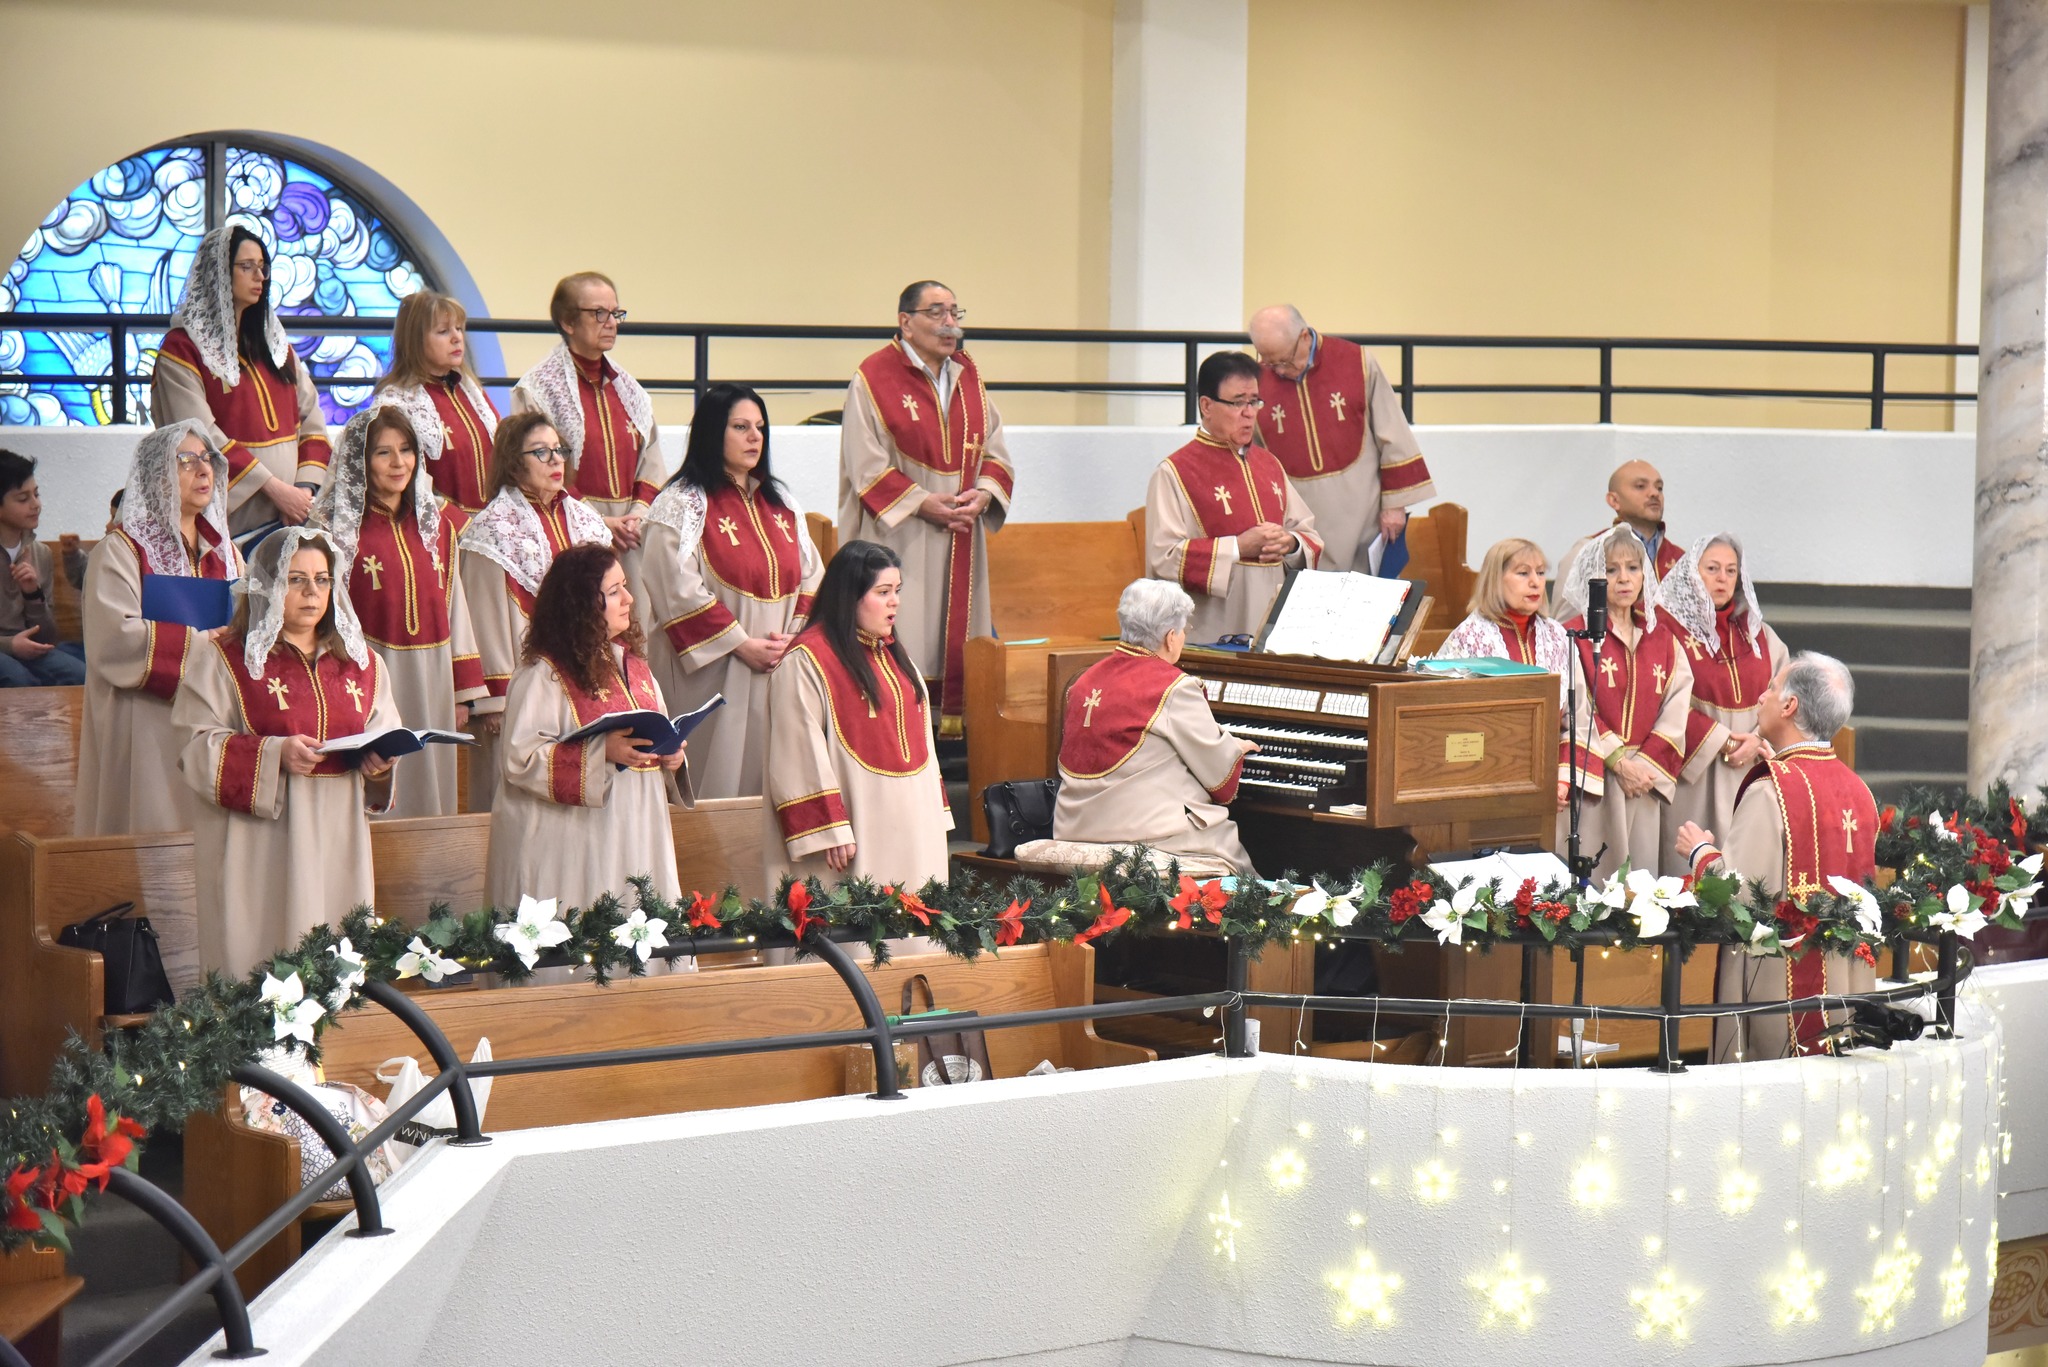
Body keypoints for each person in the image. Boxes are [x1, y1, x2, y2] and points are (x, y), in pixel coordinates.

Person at [175, 527, 400, 975]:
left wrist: (380, 765)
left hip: (339, 840)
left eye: (322, 580)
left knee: (334, 964)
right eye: (296, 580)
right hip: (260, 846)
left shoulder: (363, 664)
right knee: (260, 961)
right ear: (267, 585)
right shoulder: (224, 658)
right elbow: (193, 747)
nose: (312, 592)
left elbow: (384, 733)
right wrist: (274, 753)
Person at [1676, 652, 1878, 1061]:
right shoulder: (1860, 791)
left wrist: (1700, 852)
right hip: (1849, 988)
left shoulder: (1772, 790)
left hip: (1781, 986)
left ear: (1789, 706)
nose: (1761, 698)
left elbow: (1740, 896)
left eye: (1770, 689)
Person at [836, 281, 1017, 737]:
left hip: (960, 536)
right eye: (936, 313)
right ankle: (896, 734)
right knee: (906, 637)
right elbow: (865, 465)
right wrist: (923, 503)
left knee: (957, 645)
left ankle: (950, 740)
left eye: (955, 312)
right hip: (901, 539)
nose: (949, 323)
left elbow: (996, 449)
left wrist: (984, 493)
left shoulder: (968, 376)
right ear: (905, 322)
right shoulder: (873, 378)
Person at [642, 383, 823, 798]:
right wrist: (742, 645)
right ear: (712, 431)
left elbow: (812, 574)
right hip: (714, 671)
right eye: (741, 426)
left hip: (779, 662)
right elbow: (674, 588)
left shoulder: (781, 504)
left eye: (760, 427)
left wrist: (794, 638)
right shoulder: (680, 503)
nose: (755, 436)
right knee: (716, 780)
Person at [486, 543, 689, 912]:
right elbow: (520, 759)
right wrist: (601, 752)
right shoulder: (542, 675)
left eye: (625, 586)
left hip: (638, 830)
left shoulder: (635, 668)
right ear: (580, 605)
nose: (629, 598)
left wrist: (671, 755)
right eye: (614, 592)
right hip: (574, 842)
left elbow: (654, 738)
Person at [312, 405, 487, 818]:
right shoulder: (332, 527)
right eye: (383, 453)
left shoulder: (438, 525)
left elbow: (455, 606)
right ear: (360, 460)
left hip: (435, 682)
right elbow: (328, 618)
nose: (398, 463)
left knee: (434, 794)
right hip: (370, 679)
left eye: (406, 450)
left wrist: (463, 693)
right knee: (380, 791)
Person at [75, 422, 242, 835]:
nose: (204, 471)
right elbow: (114, 641)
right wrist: (205, 644)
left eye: (208, 459)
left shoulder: (227, 553)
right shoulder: (120, 551)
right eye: (186, 461)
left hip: (213, 721)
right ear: (154, 476)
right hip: (145, 723)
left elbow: (250, 620)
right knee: (151, 832)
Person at [761, 541, 953, 891]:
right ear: (849, 596)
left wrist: (933, 813)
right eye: (882, 592)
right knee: (862, 940)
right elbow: (796, 748)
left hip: (914, 825)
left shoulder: (894, 655)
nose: (894, 600)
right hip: (855, 833)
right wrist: (827, 827)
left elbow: (923, 741)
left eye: (897, 590)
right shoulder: (807, 660)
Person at [457, 411, 611, 811]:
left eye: (559, 450)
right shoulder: (490, 530)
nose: (556, 460)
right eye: (541, 452)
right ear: (513, 462)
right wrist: (495, 700)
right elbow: (483, 617)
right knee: (520, 803)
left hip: (586, 685)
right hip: (523, 695)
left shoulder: (585, 519)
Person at [1051, 579, 1258, 873]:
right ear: (1170, 637)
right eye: (1184, 630)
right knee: (1237, 860)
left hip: (1075, 827)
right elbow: (1219, 781)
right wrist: (1234, 747)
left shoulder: (1082, 682)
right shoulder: (1174, 687)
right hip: (1149, 836)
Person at [150, 224, 331, 535]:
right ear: (217, 273)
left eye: (262, 267)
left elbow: (312, 417)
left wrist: (303, 491)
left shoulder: (276, 347)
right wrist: (275, 489)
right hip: (225, 522)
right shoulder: (182, 349)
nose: (260, 277)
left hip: (292, 515)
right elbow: (199, 436)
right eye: (247, 267)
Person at [1145, 351, 1323, 642]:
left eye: (1254, 401)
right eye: (1238, 402)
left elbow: (1308, 533)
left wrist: (1289, 543)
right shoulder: (1174, 472)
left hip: (1273, 629)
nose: (1249, 412)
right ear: (1207, 405)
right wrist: (1239, 547)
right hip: (1211, 628)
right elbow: (1162, 558)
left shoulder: (1270, 465)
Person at [1246, 305, 1435, 572]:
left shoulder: (1357, 362)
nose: (1276, 371)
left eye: (1283, 360)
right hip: (1300, 520)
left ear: (1304, 337)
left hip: (1363, 513)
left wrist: (1394, 505)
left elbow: (1392, 432)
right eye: (1268, 361)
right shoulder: (1257, 380)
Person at [1553, 527, 1692, 882]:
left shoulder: (1662, 637)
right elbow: (1577, 705)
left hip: (1644, 780)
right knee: (1595, 883)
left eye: (1633, 568)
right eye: (1611, 570)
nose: (1624, 579)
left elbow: (1677, 705)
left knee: (1638, 893)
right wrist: (1618, 760)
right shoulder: (1575, 634)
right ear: (1593, 578)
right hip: (1597, 776)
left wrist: (1643, 766)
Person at [511, 272, 664, 556]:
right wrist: (598, 521)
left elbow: (652, 460)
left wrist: (638, 514)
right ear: (568, 322)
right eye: (599, 313)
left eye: (615, 313)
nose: (611, 323)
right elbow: (535, 469)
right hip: (570, 533)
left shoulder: (631, 391)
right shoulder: (537, 390)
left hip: (631, 536)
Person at [1660, 533, 1789, 866]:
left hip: (1754, 765)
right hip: (1698, 771)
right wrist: (1724, 742)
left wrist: (1757, 738)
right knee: (1692, 871)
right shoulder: (1667, 628)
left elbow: (1787, 690)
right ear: (1692, 573)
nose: (1722, 579)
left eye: (1731, 571)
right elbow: (1661, 700)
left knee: (1748, 867)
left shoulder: (1757, 632)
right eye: (1713, 568)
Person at [1431, 537, 1577, 807]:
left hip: (1550, 784)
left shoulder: (1558, 636)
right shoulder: (1469, 637)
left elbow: (1574, 720)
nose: (1535, 582)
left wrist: (1560, 782)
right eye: (1523, 573)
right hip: (1482, 786)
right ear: (1495, 580)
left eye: (1541, 572)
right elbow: (1449, 725)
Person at [373, 289, 500, 517]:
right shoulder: (396, 403)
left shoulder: (471, 392)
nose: (457, 338)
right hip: (443, 527)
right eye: (443, 331)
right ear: (415, 341)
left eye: (459, 329)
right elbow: (402, 482)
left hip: (493, 523)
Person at [0, 450, 85, 686]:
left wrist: (32, 594)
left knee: (81, 676)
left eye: (36, 494)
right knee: (19, 679)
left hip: (28, 648)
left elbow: (47, 637)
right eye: (23, 499)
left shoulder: (40, 554)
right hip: (5, 648)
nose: (36, 505)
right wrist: (10, 645)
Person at [1561, 460, 1681, 583]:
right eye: (1640, 486)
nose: (1655, 493)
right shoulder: (1589, 552)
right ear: (1614, 500)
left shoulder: (1682, 559)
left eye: (1659, 488)